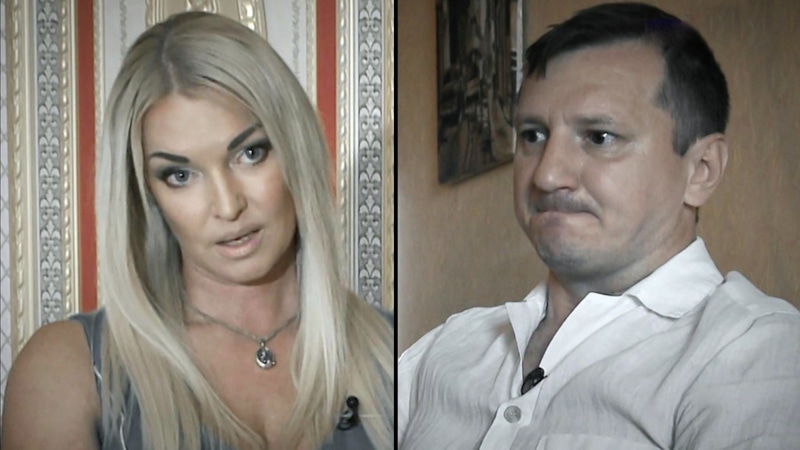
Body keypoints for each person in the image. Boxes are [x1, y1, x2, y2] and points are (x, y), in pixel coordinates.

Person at [398, 2, 800, 449]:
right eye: (532, 135)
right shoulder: (444, 349)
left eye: (599, 137)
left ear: (701, 170)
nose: (547, 175)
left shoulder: (754, 351)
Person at [1, 11, 393, 450]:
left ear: (295, 148)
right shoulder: (67, 371)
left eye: (251, 153)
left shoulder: (401, 353)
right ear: (146, 194)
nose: (228, 206)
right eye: (180, 176)